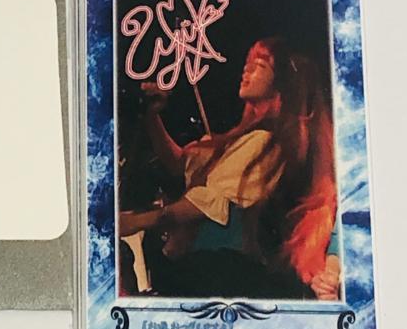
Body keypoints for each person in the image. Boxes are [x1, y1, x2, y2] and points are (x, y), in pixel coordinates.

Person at [118, 37, 339, 300]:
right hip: (215, 272)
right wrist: (152, 116)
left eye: (259, 65)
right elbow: (180, 163)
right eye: (247, 63)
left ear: (281, 85)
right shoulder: (245, 139)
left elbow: (202, 205)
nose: (246, 70)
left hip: (225, 274)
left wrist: (136, 221)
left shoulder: (266, 142)